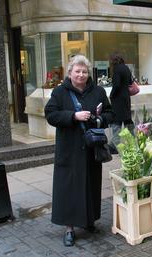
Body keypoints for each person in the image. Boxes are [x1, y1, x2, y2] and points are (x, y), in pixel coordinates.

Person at [44, 55, 113, 246]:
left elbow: (110, 113)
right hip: (70, 150)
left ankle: (89, 221)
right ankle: (69, 228)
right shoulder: (59, 92)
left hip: (92, 149)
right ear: (70, 72)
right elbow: (50, 115)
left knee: (91, 186)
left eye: (84, 71)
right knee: (69, 189)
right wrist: (73, 116)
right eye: (77, 71)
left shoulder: (98, 91)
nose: (81, 75)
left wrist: (99, 120)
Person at [108, 54, 135, 153]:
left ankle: (116, 146)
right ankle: (132, 143)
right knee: (128, 120)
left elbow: (116, 85)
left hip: (118, 99)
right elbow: (130, 81)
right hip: (126, 98)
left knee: (117, 122)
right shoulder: (126, 68)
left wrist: (111, 95)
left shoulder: (117, 69)